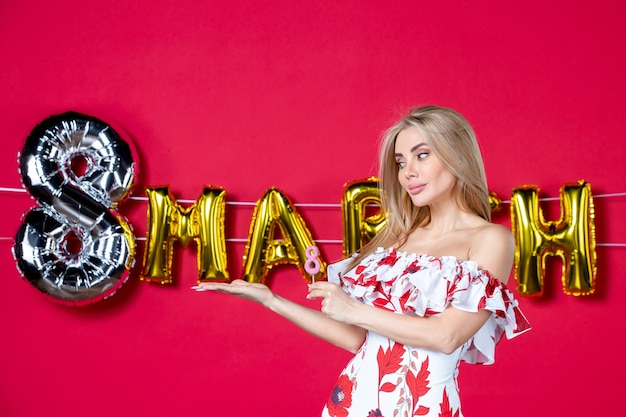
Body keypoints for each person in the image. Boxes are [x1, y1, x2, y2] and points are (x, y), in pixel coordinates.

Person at [195, 105, 531, 417]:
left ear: (457, 156)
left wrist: (354, 309)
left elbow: (446, 336)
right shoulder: (397, 240)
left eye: (422, 156)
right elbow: (360, 339)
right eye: (400, 163)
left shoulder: (491, 240)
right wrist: (271, 301)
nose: (408, 173)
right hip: (351, 402)